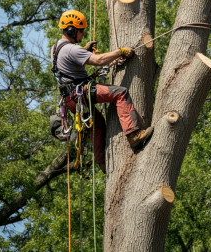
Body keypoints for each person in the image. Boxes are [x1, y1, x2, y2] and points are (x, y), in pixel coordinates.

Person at [51, 10, 153, 172]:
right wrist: (120, 51)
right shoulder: (72, 50)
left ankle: (102, 163)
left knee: (97, 124)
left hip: (70, 98)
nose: (83, 33)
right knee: (120, 92)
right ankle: (133, 134)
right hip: (81, 92)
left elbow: (70, 63)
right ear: (71, 30)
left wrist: (85, 50)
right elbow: (98, 61)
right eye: (81, 30)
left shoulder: (56, 48)